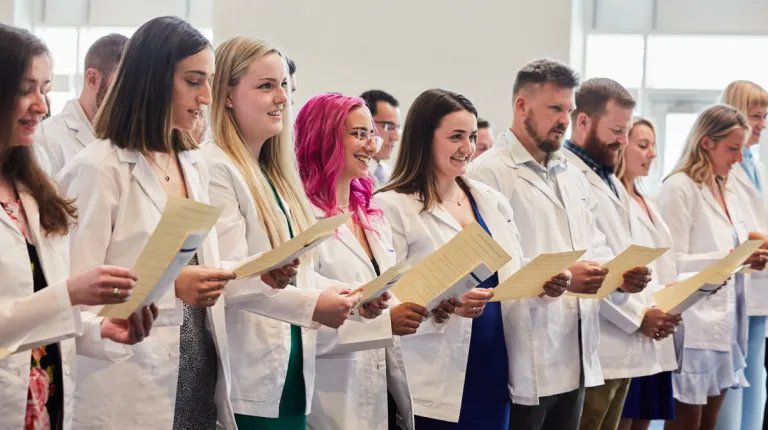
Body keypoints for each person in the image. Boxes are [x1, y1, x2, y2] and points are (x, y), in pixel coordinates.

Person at [57, 16, 242, 429]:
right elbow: (73, 299)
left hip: (196, 372)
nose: (208, 96)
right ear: (154, 80)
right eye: (194, 81)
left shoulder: (191, 163)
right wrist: (174, 288)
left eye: (209, 80)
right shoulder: (99, 169)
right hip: (128, 382)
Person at [375, 88, 570, 429]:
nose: (466, 148)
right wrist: (445, 302)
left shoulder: (488, 200)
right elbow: (386, 296)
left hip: (494, 362)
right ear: (423, 139)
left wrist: (542, 285)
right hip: (433, 370)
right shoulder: (392, 206)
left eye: (470, 137)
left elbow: (510, 273)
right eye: (455, 137)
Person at [0, 23, 156, 430]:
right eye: (25, 89)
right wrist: (70, 294)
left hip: (44, 402)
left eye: (46, 88)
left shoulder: (30, 190)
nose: (42, 105)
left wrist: (100, 328)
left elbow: (39, 308)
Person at [203, 36, 361, 430]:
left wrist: (349, 295)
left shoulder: (275, 176)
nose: (281, 98)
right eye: (266, 86)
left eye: (284, 87)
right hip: (249, 373)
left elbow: (296, 270)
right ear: (226, 95)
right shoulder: (216, 168)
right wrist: (313, 304)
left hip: (292, 370)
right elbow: (228, 276)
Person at [468, 58, 612, 430]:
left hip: (575, 351)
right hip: (525, 353)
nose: (565, 119)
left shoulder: (572, 173)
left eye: (568, 109)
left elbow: (592, 242)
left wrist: (614, 274)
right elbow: (488, 265)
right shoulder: (488, 172)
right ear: (521, 106)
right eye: (555, 108)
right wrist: (564, 275)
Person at [295, 92, 450, 430]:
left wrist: (426, 305)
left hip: (382, 390)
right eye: (358, 134)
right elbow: (296, 320)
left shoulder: (371, 215)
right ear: (325, 137)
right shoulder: (300, 218)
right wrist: (384, 323)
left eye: (371, 135)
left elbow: (384, 296)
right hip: (330, 397)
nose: (371, 145)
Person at [659, 104, 768, 430]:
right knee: (686, 423)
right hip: (693, 325)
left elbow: (733, 250)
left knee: (711, 424)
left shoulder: (727, 188)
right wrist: (732, 258)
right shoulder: (678, 188)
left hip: (726, 324)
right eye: (732, 149)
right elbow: (670, 262)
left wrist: (750, 256)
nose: (738, 158)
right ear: (706, 142)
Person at [562, 78, 656, 430]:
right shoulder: (570, 175)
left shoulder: (610, 177)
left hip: (620, 340)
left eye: (626, 131)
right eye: (617, 130)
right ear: (583, 121)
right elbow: (588, 263)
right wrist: (637, 315)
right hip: (595, 338)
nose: (623, 140)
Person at [615, 118, 680, 430]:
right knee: (623, 419)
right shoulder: (613, 200)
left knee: (644, 419)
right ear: (620, 146)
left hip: (657, 327)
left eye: (653, 146)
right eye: (643, 145)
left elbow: (665, 261)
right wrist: (642, 314)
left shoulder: (646, 200)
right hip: (630, 327)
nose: (652, 153)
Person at [714, 81, 768, 430]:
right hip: (735, 288)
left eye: (765, 116)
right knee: (731, 392)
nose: (762, 124)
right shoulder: (724, 170)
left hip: (759, 289)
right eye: (756, 116)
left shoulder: (755, 166)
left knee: (754, 388)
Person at [35, 33, 128, 175]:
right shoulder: (45, 138)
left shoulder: (126, 138)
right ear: (92, 79)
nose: (129, 97)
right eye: (121, 86)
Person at [361, 89, 400, 187]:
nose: (396, 137)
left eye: (398, 128)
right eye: (389, 127)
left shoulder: (393, 175)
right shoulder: (349, 175)